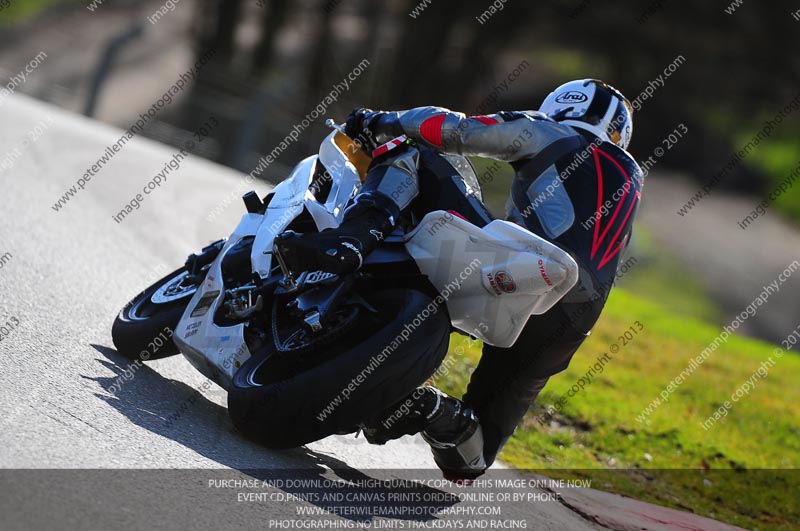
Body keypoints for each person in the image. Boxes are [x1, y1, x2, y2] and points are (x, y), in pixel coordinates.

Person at [276, 79, 643, 479]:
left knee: (411, 147)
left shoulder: (552, 131)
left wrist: (380, 121)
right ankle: (433, 411)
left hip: (518, 266)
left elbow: (454, 130)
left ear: (560, 106)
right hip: (571, 320)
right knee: (473, 460)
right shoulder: (632, 178)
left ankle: (351, 239)